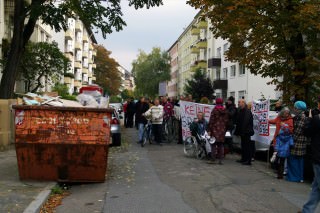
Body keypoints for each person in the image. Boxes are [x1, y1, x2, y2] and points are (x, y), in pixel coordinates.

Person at [301, 102, 320, 213]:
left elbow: (307, 132)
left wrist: (309, 119)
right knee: (316, 186)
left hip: (318, 157)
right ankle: (307, 210)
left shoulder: (317, 119)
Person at [269, 107, 294, 179]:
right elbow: (272, 121)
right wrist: (264, 120)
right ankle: (278, 171)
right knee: (277, 158)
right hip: (277, 140)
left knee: (282, 158)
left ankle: (280, 175)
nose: (286, 114)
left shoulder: (290, 120)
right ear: (282, 113)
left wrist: (284, 126)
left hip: (285, 141)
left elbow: (291, 130)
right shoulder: (278, 118)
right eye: (285, 113)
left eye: (287, 113)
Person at [287, 101, 308, 182]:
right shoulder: (302, 116)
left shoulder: (301, 117)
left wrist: (291, 140)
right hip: (300, 142)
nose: (294, 109)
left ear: (298, 108)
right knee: (299, 161)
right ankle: (299, 177)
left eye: (295, 107)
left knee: (294, 161)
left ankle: (294, 177)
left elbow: (298, 131)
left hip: (297, 143)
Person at [208, 98, 229, 164]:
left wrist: (209, 129)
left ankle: (213, 159)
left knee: (213, 144)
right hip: (222, 129)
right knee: (221, 145)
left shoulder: (214, 110)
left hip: (214, 129)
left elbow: (211, 120)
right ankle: (220, 160)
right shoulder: (225, 110)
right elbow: (226, 121)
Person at [234, 99, 254, 165]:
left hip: (246, 132)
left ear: (243, 103)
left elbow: (245, 122)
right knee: (243, 146)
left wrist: (242, 130)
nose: (238, 103)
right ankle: (243, 159)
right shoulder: (240, 110)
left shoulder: (247, 111)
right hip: (243, 132)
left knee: (247, 146)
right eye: (238, 102)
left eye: (239, 102)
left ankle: (248, 160)